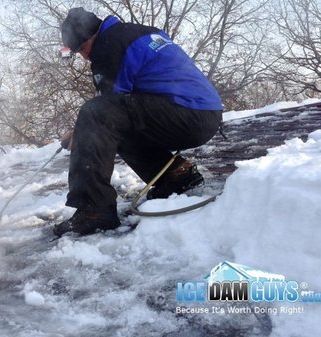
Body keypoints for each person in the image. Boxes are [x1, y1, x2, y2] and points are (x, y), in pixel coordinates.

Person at [54, 8, 223, 237]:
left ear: (89, 38)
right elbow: (119, 110)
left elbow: (102, 111)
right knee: (115, 124)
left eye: (81, 50)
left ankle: (94, 209)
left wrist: (81, 132)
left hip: (187, 114)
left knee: (94, 114)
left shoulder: (109, 46)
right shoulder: (132, 33)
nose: (85, 57)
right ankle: (175, 174)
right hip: (204, 113)